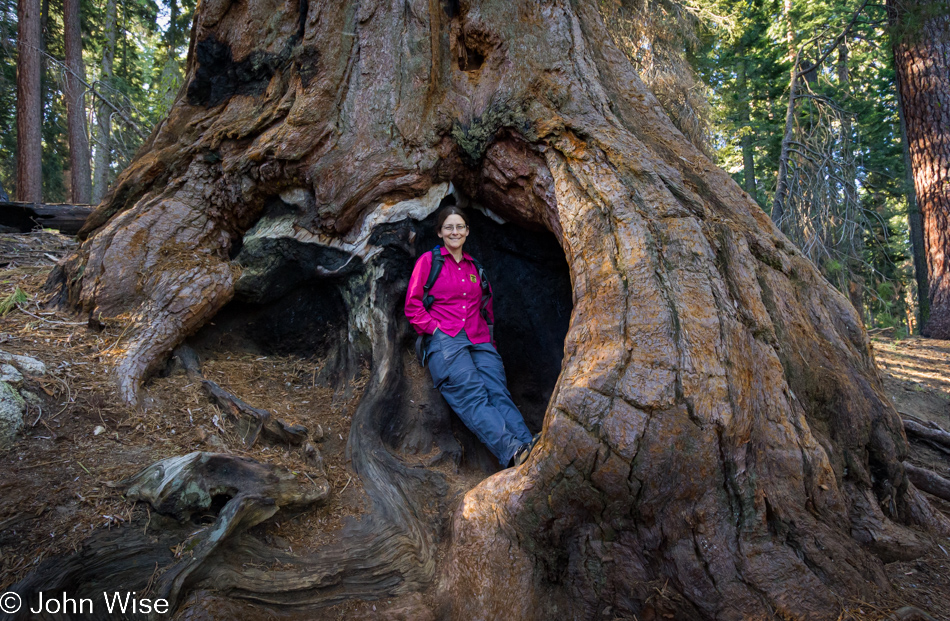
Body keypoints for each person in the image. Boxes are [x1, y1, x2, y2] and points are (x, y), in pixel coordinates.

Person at [405, 202, 537, 468]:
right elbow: (413, 304)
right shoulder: (429, 261)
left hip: (479, 339)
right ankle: (513, 452)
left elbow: (485, 309)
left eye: (460, 227)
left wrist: (491, 343)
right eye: (448, 227)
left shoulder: (474, 267)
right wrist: (435, 329)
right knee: (472, 395)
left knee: (498, 392)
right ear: (440, 232)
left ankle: (530, 447)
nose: (455, 232)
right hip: (446, 339)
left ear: (467, 231)